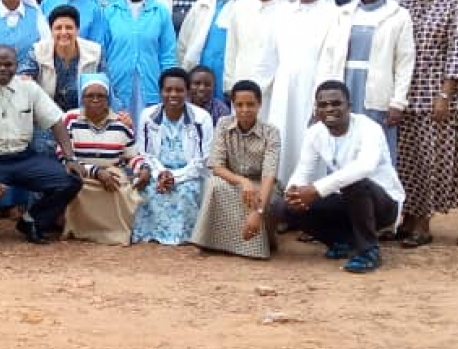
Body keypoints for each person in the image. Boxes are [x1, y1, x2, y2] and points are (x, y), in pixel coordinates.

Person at [0, 45, 86, 244]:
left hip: (24, 158)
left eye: (8, 64)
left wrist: (70, 158)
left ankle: (32, 221)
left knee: (70, 181)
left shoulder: (29, 88)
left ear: (16, 66)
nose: (2, 68)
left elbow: (56, 122)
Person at [278, 81, 404, 274]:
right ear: (316, 109)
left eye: (336, 103)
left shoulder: (369, 128)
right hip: (347, 202)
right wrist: (293, 193)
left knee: (354, 183)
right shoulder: (315, 133)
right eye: (323, 105)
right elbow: (303, 171)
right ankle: (341, 242)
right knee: (286, 206)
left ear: (349, 106)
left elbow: (364, 167)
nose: (329, 109)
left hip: (383, 205)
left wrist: (315, 190)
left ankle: (369, 251)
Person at [318, 0, 416, 160]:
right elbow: (329, 56)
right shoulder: (343, 13)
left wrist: (398, 102)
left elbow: (404, 62)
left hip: (377, 89)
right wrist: (321, 94)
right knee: (340, 144)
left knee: (375, 148)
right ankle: (340, 191)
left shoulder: (398, 15)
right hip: (343, 85)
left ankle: (376, 193)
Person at [398, 0, 458, 247]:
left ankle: (424, 225)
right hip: (404, 98)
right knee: (405, 161)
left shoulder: (453, 7)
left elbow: (457, 53)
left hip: (435, 99)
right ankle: (407, 218)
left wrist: (445, 95)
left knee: (430, 161)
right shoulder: (400, 7)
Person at [255, 0, 339, 183]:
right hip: (284, 84)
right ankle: (279, 189)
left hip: (313, 82)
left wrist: (322, 94)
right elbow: (269, 52)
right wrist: (259, 87)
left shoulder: (333, 14)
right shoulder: (283, 11)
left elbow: (330, 56)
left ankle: (308, 192)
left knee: (308, 135)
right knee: (281, 133)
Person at [193, 80, 281, 258]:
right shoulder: (224, 125)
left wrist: (258, 212)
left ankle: (255, 243)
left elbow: (269, 176)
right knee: (213, 184)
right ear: (233, 105)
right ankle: (216, 243)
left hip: (261, 185)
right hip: (233, 181)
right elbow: (216, 166)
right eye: (239, 105)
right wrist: (243, 181)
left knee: (259, 196)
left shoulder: (271, 132)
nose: (245, 110)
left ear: (260, 104)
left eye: (250, 104)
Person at [131, 68, 213, 246]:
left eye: (179, 90)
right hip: (157, 172)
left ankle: (183, 236)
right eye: (168, 90)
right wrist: (161, 174)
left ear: (187, 92)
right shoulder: (148, 116)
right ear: (161, 91)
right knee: (147, 189)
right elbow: (145, 153)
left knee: (186, 192)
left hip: (191, 174)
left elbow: (203, 160)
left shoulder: (201, 118)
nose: (173, 94)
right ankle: (150, 234)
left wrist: (175, 177)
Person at [61, 74, 146, 245]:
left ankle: (113, 233)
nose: (95, 100)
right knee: (78, 187)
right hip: (80, 172)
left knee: (120, 188)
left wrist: (142, 168)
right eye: (90, 96)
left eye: (101, 96)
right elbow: (63, 155)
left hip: (112, 172)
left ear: (108, 99)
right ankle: (81, 230)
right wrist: (96, 172)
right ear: (82, 98)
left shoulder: (121, 123)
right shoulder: (70, 119)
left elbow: (131, 155)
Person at [103, 0, 176, 122]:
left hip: (151, 82)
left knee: (148, 127)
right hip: (117, 82)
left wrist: (169, 85)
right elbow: (103, 53)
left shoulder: (160, 12)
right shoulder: (110, 12)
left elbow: (168, 54)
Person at [176, 0, 244, 102]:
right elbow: (184, 40)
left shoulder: (245, 7)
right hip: (202, 66)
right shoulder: (201, 5)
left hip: (228, 68)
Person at [20, 5, 106, 114]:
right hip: (45, 119)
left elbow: (105, 87)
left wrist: (120, 114)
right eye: (58, 28)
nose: (64, 32)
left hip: (82, 119)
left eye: (69, 27)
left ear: (77, 30)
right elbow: (23, 80)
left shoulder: (95, 52)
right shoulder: (38, 51)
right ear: (51, 30)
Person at [223, 0, 286, 101]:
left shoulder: (287, 9)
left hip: (274, 83)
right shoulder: (240, 7)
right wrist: (229, 83)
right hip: (243, 77)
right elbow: (232, 47)